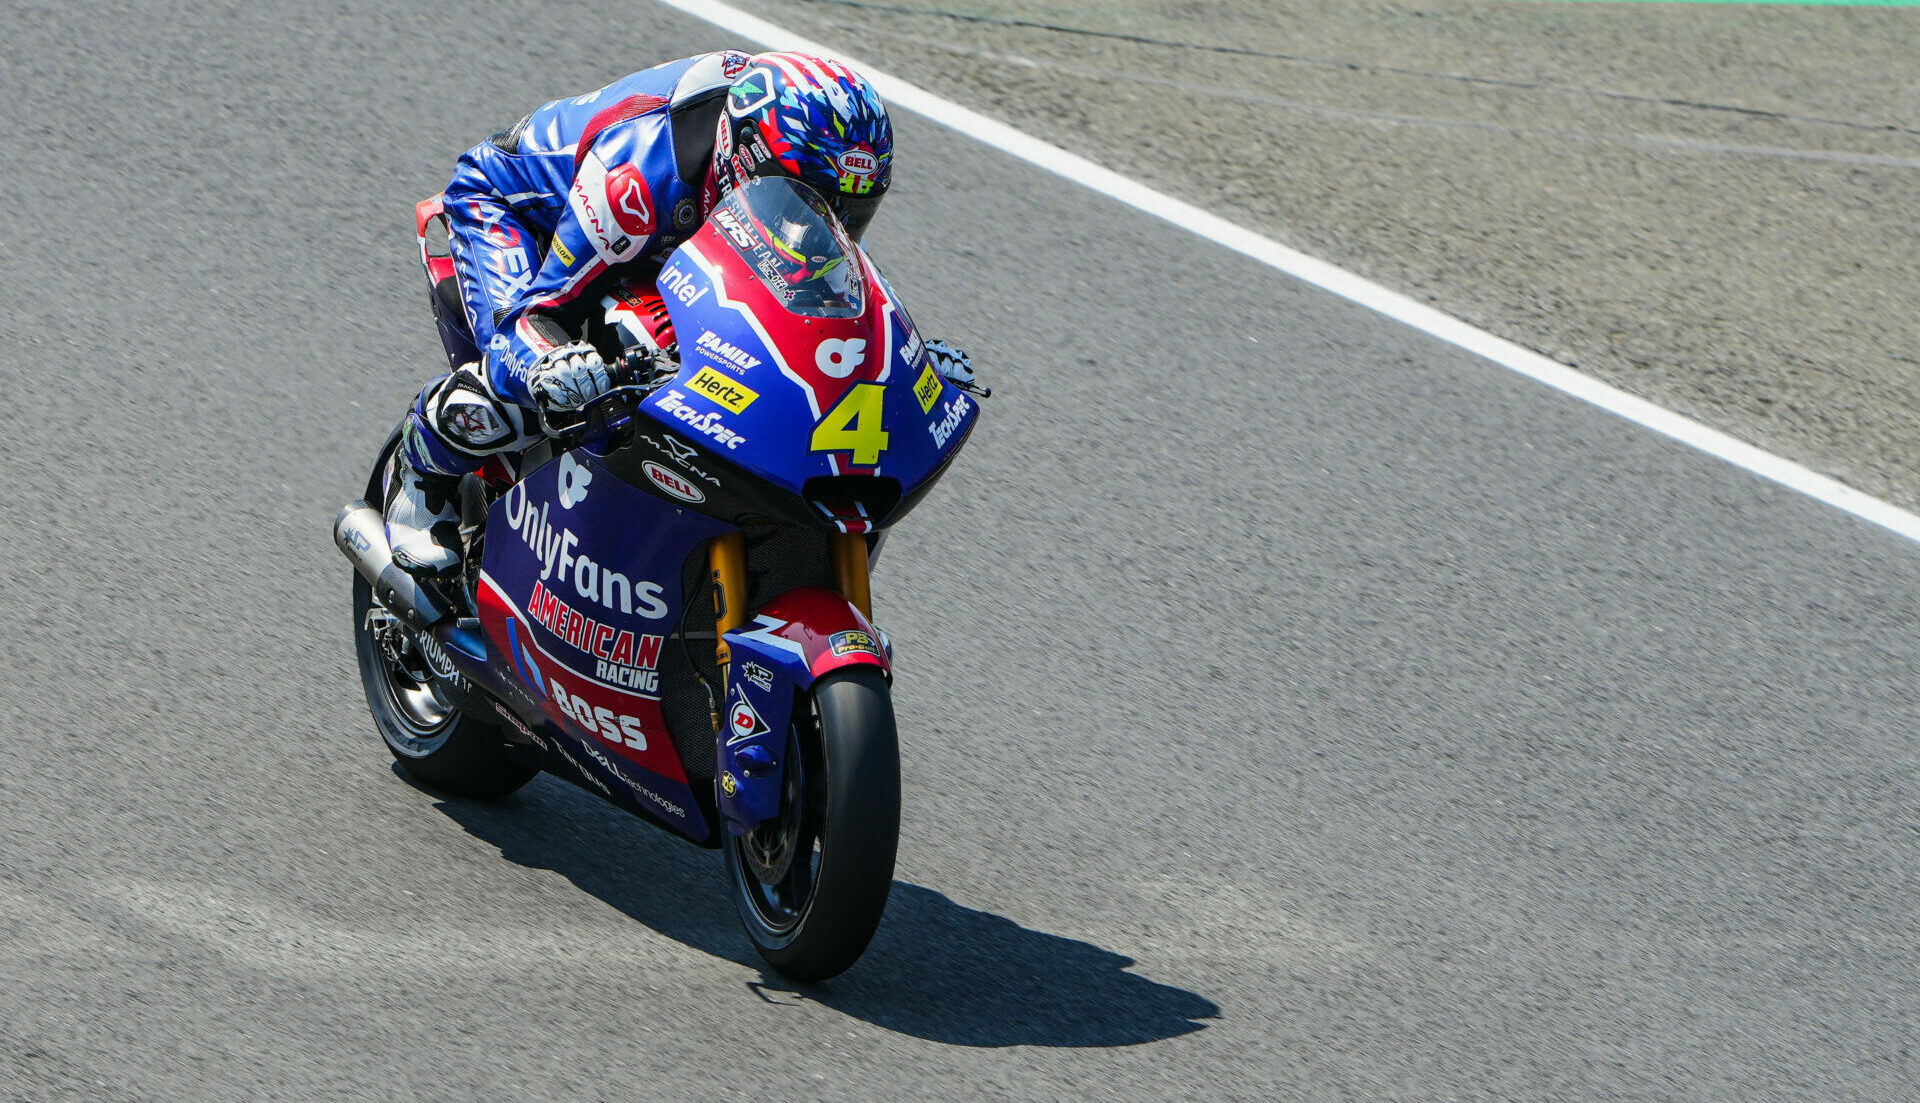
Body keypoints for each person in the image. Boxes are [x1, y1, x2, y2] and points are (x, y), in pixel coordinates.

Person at [383, 49, 974, 576]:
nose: (828, 225)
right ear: (745, 158)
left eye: (851, 211)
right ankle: (424, 467)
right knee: (545, 367)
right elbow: (542, 313)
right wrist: (551, 357)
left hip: (669, 237)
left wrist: (908, 359)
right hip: (521, 212)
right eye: (814, 202)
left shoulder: (798, 189)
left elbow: (836, 303)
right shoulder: (636, 174)